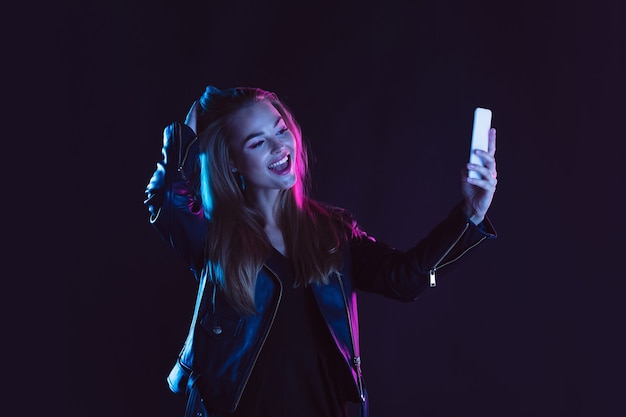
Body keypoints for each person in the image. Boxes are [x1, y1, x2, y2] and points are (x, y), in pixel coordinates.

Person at [144, 86, 498, 417]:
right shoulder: (214, 240)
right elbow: (167, 203)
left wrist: (470, 215)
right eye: (257, 143)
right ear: (232, 162)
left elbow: (408, 280)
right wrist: (181, 139)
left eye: (281, 130)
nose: (279, 147)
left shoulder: (332, 234)